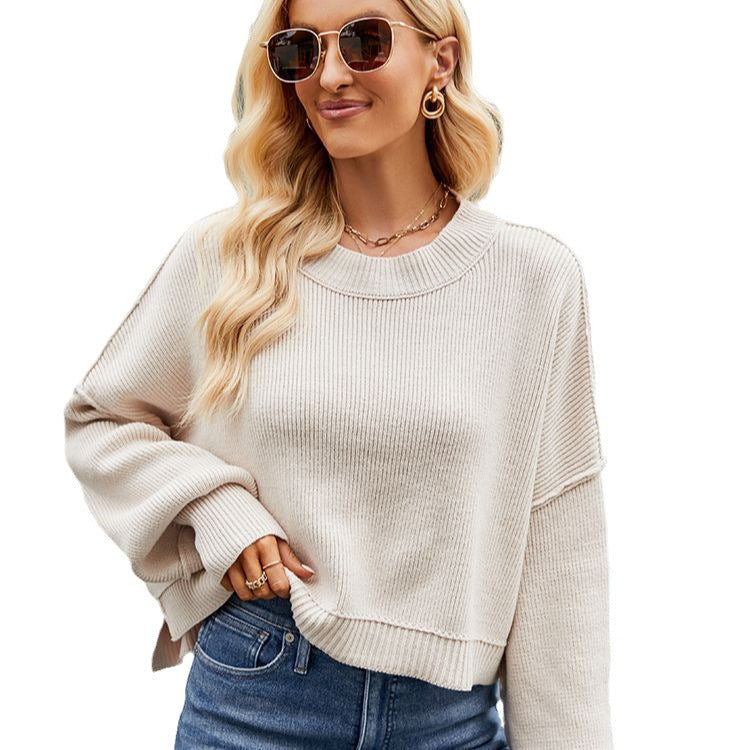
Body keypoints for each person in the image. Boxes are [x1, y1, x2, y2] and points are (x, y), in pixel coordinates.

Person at [62, 1, 613, 748]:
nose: (328, 75)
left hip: (447, 721)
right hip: (257, 698)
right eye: (299, 50)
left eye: (364, 41)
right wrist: (217, 506)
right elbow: (102, 420)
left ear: (441, 60)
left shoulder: (533, 279)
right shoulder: (230, 259)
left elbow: (559, 554)